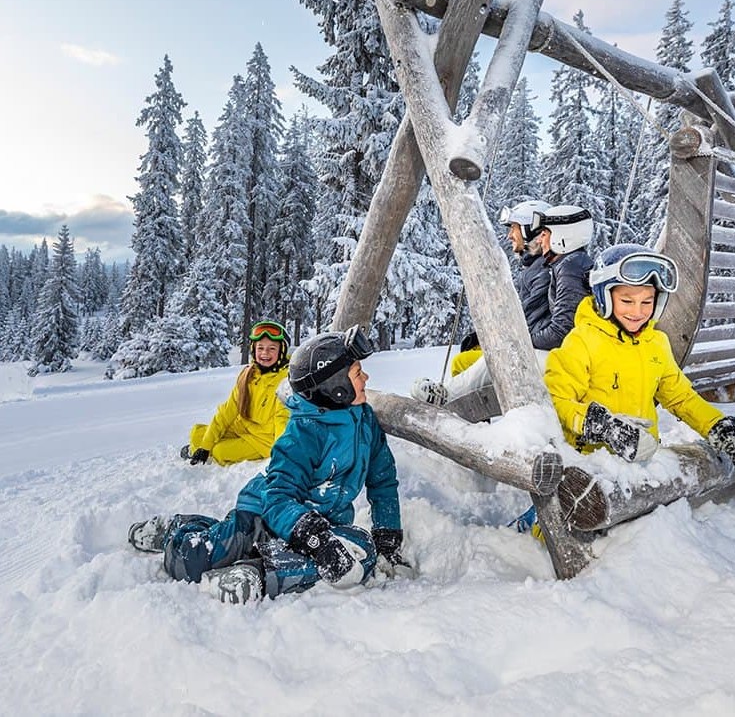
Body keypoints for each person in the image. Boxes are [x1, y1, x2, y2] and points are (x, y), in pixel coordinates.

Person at [128, 326, 410, 605]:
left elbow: (382, 479)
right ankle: (175, 532)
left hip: (321, 523)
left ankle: (255, 573)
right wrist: (312, 536)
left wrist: (387, 534)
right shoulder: (304, 433)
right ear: (336, 387)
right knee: (190, 563)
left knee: (357, 554)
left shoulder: (365, 421)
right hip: (263, 514)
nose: (366, 378)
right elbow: (277, 499)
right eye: (358, 373)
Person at [545, 243, 735, 460]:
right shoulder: (582, 342)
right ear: (603, 296)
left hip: (643, 462)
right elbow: (557, 401)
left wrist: (716, 426)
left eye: (647, 301)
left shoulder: (656, 343)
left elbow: (680, 397)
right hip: (593, 465)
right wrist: (602, 426)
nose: (638, 312)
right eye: (627, 301)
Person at [412, 202, 593, 408]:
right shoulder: (566, 265)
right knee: (496, 357)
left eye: (546, 232)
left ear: (563, 235)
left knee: (505, 358)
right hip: (565, 355)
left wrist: (518, 343)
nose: (542, 238)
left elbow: (561, 330)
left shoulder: (568, 269)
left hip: (566, 360)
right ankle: (456, 403)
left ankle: (449, 398)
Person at [449, 198, 552, 378]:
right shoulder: (535, 268)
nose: (509, 235)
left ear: (530, 230)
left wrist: (494, 340)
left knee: (461, 363)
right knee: (470, 353)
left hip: (531, 353)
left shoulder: (542, 272)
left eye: (514, 228)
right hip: (526, 347)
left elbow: (526, 322)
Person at [179, 319, 291, 466]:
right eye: (260, 348)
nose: (265, 353)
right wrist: (205, 446)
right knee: (197, 432)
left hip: (263, 440)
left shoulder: (285, 380)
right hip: (242, 428)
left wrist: (281, 456)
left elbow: (282, 419)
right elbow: (227, 412)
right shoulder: (249, 375)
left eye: (272, 348)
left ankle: (213, 452)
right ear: (253, 349)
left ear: (281, 351)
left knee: (220, 451)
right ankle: (204, 449)